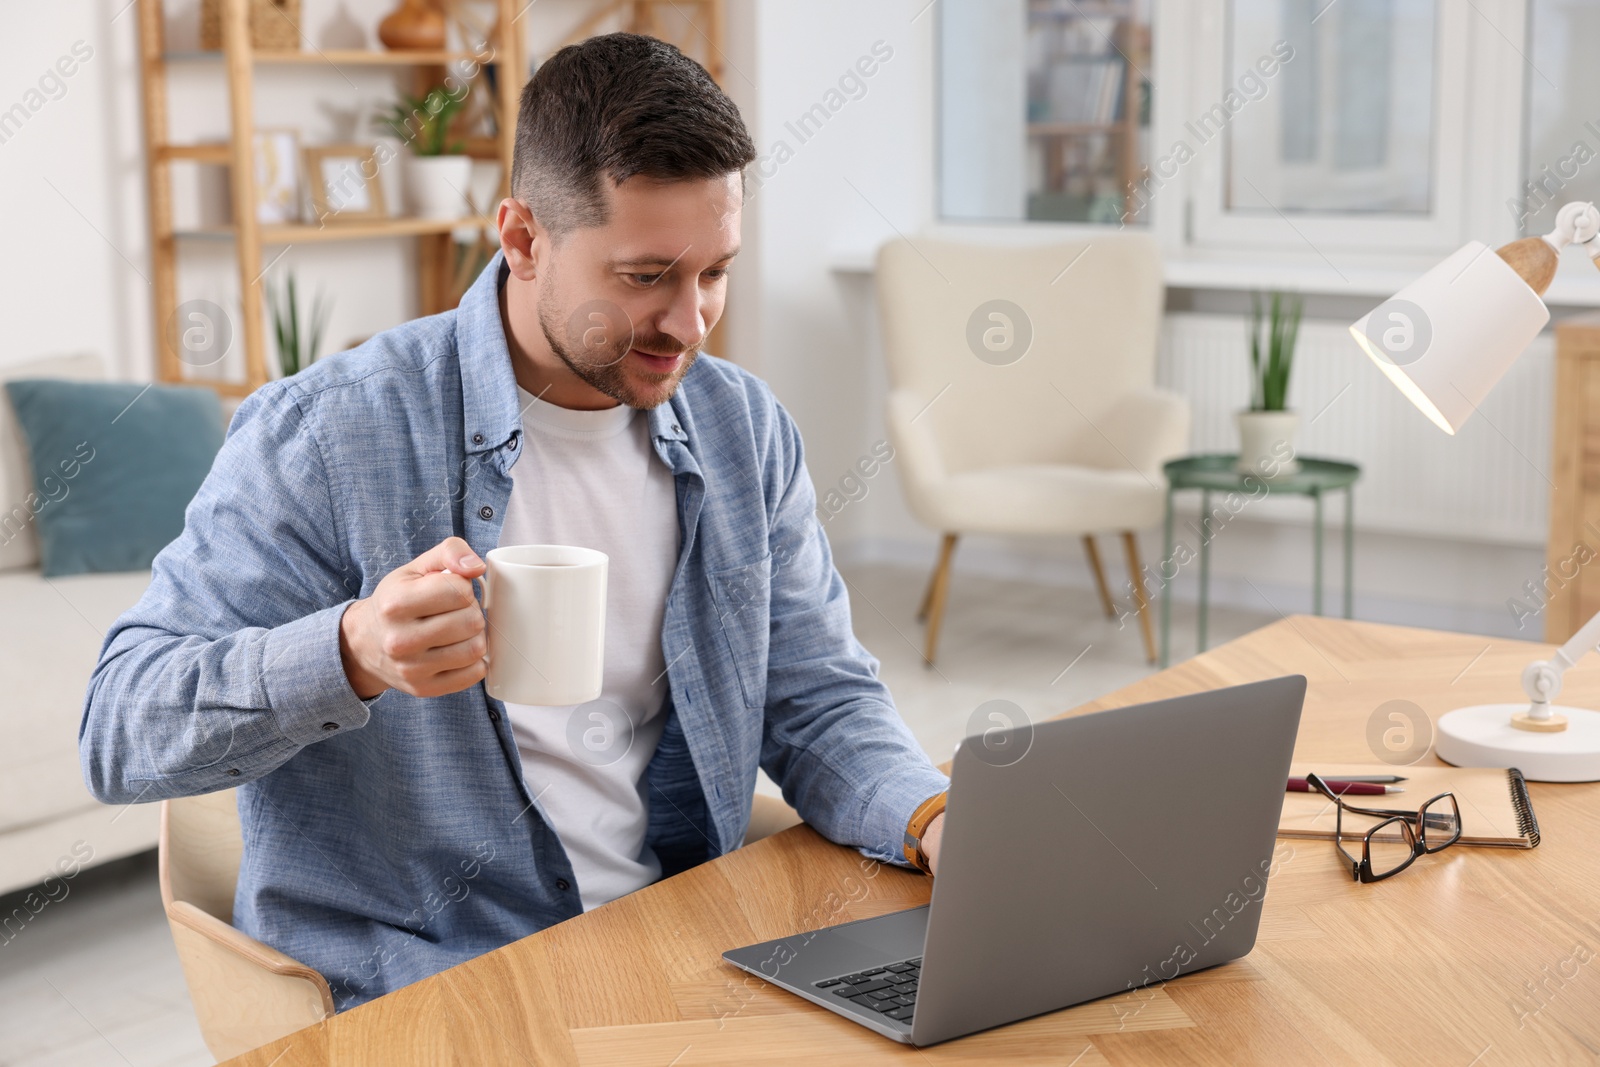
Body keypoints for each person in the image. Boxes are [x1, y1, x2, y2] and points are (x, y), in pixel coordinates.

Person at [80, 33, 949, 1010]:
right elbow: (121, 728)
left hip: (673, 942)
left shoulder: (741, 428)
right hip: (428, 978)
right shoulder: (328, 431)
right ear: (524, 239)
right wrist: (351, 648)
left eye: (714, 272)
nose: (690, 323)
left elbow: (818, 696)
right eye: (644, 274)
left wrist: (934, 815)